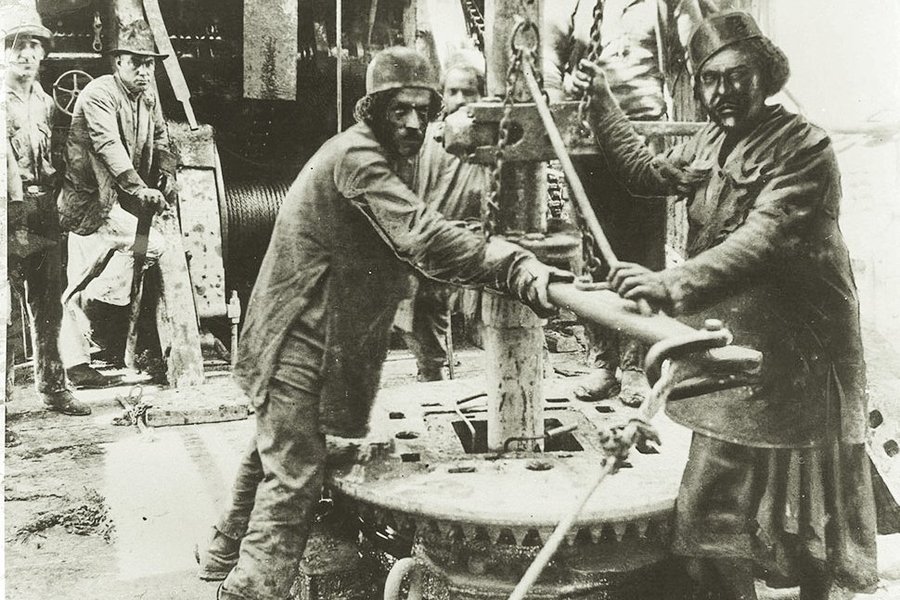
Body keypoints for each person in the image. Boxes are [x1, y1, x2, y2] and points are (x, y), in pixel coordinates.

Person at [202, 46, 566, 600]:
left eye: (423, 110)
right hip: (295, 332)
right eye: (400, 110)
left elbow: (426, 228)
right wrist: (514, 266)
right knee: (294, 478)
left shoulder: (396, 160)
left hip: (318, 330)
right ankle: (249, 589)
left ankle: (221, 550)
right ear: (373, 110)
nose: (414, 122)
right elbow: (421, 237)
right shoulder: (358, 156)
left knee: (275, 444)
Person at [573, 10, 877, 599]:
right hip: (734, 345)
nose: (722, 92)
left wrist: (669, 284)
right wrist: (603, 102)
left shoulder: (805, 148)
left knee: (805, 518)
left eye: (737, 77)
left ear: (766, 76)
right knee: (715, 511)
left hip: (799, 355)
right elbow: (645, 173)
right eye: (710, 80)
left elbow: (764, 238)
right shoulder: (710, 141)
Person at [543, 0, 712, 405]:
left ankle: (636, 365)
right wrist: (561, 95)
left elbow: (699, 46)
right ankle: (603, 363)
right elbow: (547, 56)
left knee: (643, 256)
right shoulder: (573, 6)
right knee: (594, 256)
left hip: (642, 138)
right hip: (587, 140)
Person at [57, 19, 176, 388]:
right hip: (88, 202)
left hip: (115, 205)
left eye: (149, 64)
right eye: (135, 62)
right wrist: (139, 188)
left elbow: (161, 137)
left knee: (147, 248)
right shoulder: (98, 94)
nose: (143, 71)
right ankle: (76, 366)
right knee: (78, 285)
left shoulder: (147, 98)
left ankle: (102, 304)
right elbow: (108, 145)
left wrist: (167, 172)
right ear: (118, 62)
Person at [3, 6, 90, 417]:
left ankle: (54, 388)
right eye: (17, 45)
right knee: (3, 306)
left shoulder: (45, 102)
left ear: (43, 53)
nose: (26, 53)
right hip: (7, 210)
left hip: (43, 208)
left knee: (48, 301)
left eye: (34, 45)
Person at [395, 48, 489, 381]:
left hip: (476, 238)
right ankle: (431, 371)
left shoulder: (493, 136)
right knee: (414, 303)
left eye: (469, 91)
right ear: (443, 96)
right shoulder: (425, 138)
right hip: (431, 238)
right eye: (453, 91)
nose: (460, 99)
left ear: (483, 95)